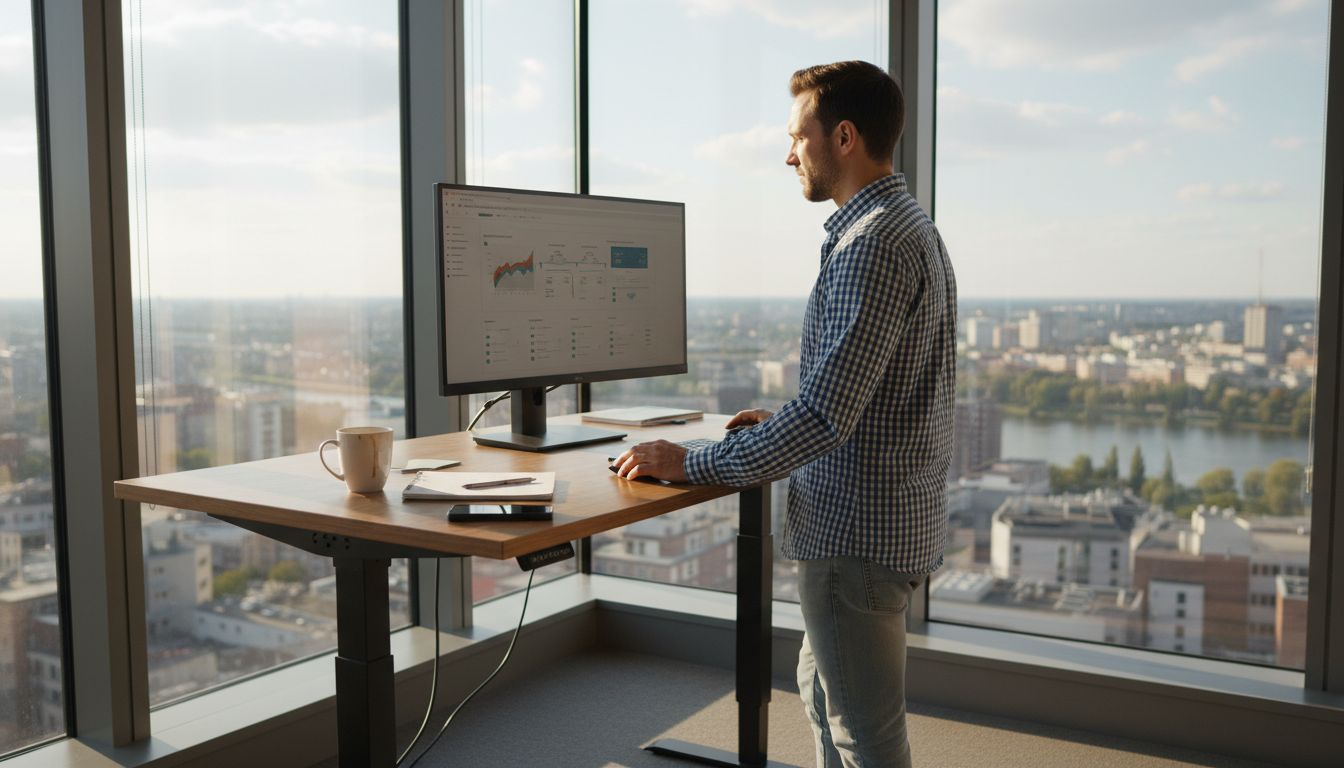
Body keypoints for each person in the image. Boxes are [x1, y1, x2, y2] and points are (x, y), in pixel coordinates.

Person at [612, 59, 956, 768]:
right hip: (882, 518)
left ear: (845, 137)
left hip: (854, 534)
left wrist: (690, 463)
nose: (787, 151)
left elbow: (828, 418)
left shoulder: (872, 245)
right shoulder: (909, 226)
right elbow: (871, 395)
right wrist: (784, 418)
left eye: (798, 135)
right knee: (825, 694)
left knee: (865, 733)